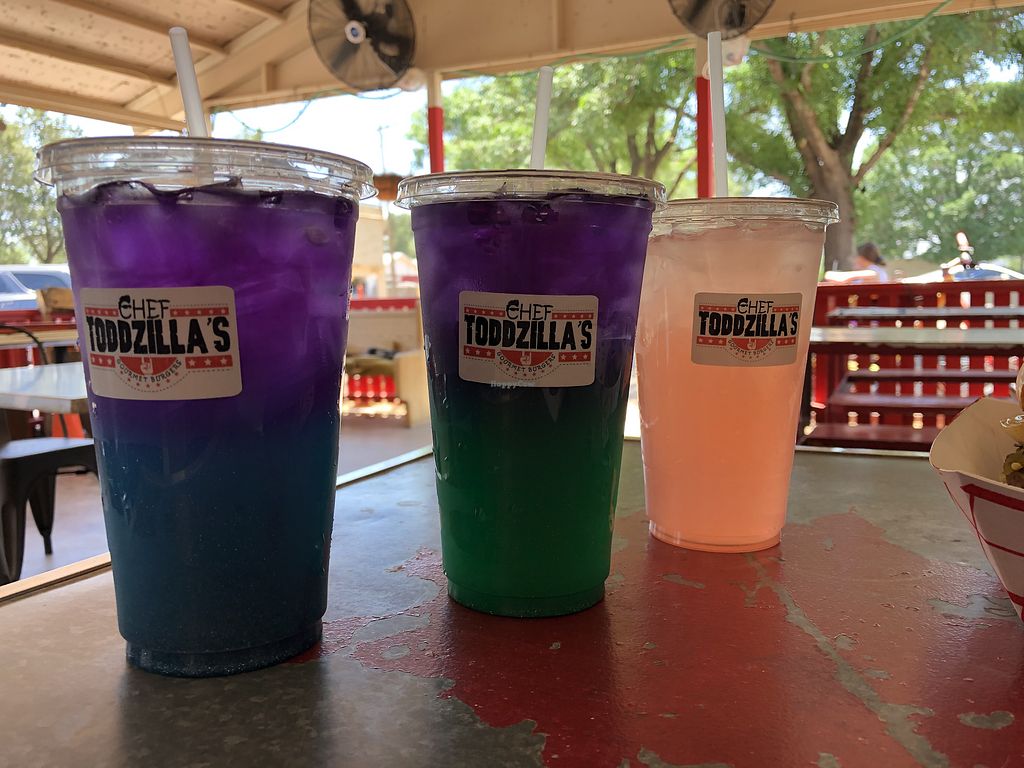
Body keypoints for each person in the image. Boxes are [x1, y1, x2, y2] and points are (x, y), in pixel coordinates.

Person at [823, 242, 889, 284]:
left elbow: (840, 277)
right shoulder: (878, 271)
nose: (853, 260)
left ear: (861, 257)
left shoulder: (873, 272)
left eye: (855, 256)